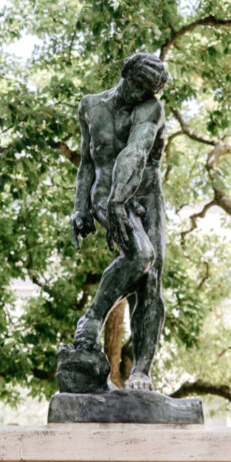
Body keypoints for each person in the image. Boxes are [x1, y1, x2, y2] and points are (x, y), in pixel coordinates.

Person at [70, 52, 169, 391]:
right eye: (140, 87)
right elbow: (86, 161)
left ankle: (141, 371)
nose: (143, 96)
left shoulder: (150, 108)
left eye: (150, 91)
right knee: (141, 256)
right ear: (126, 74)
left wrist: (121, 198)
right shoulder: (90, 106)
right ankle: (94, 317)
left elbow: (136, 152)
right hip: (105, 195)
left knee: (151, 279)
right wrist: (80, 206)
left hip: (144, 195)